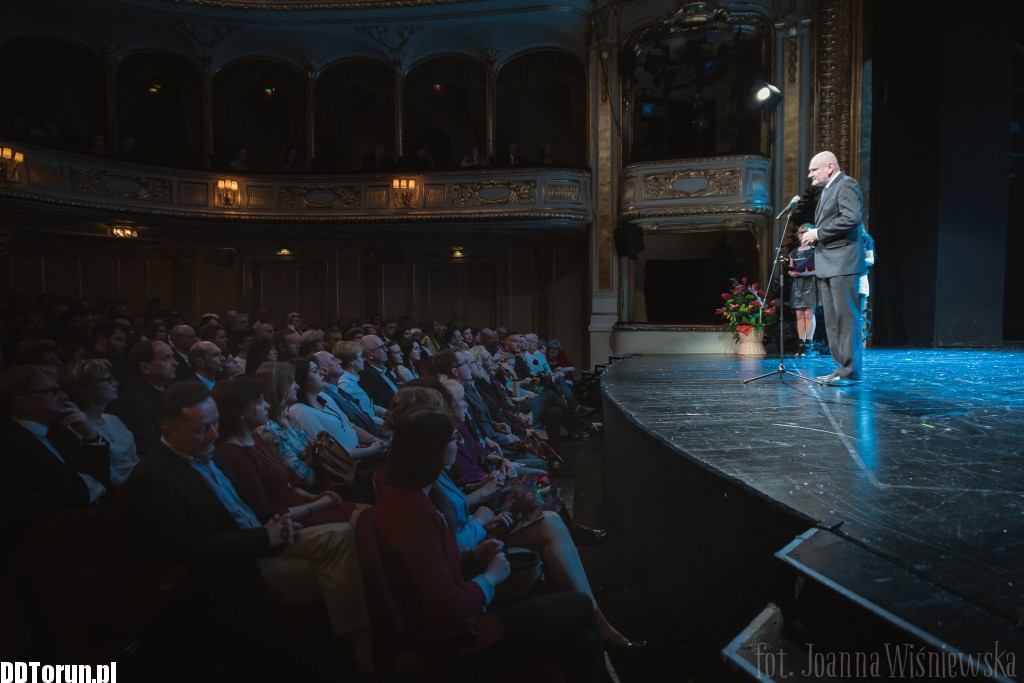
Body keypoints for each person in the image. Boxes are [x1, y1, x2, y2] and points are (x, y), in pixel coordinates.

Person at [374, 405, 612, 681]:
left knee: (584, 643)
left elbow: (433, 562)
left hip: (467, 614)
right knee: (580, 604)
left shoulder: (410, 500)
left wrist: (473, 554)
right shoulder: (416, 515)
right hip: (463, 638)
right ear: (433, 450)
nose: (459, 443)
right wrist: (491, 577)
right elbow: (446, 607)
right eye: (453, 438)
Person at [213, 376, 363, 525]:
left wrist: (312, 497)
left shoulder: (254, 438)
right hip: (293, 521)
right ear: (239, 411)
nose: (267, 406)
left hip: (302, 504)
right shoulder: (235, 454)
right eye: (259, 401)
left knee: (369, 511)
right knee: (366, 519)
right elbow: (267, 513)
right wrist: (315, 505)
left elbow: (285, 486)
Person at [802, 151, 867, 385]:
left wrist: (818, 233)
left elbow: (851, 218)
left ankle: (851, 372)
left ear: (830, 167)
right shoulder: (828, 191)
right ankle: (841, 369)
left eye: (813, 169)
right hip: (828, 262)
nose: (810, 175)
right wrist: (814, 240)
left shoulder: (846, 184)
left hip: (843, 261)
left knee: (845, 319)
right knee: (831, 320)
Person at [64, 358, 139, 487]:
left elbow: (135, 459)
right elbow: (108, 477)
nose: (116, 383)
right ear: (87, 388)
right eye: (109, 380)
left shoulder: (114, 419)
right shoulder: (78, 430)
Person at [788, 223, 820, 357]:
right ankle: (801, 343)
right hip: (798, 285)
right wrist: (792, 273)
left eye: (805, 232)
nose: (802, 235)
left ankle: (809, 343)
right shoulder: (794, 252)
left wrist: (808, 273)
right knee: (799, 315)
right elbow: (790, 268)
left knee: (808, 314)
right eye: (800, 233)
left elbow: (820, 269)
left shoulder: (815, 250)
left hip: (810, 283)